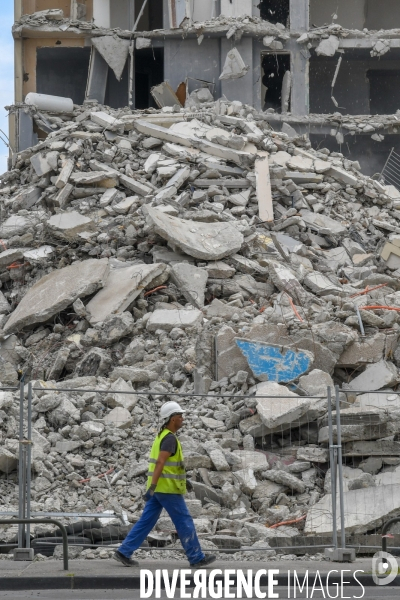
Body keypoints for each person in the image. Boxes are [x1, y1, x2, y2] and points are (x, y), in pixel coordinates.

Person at [114, 401, 216, 568]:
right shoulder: (169, 439)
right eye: (180, 416)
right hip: (167, 490)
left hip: (160, 489)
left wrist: (184, 481)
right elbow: (160, 464)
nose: (183, 419)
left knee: (146, 521)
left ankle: (124, 552)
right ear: (172, 419)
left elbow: (169, 467)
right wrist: (152, 487)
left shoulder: (162, 436)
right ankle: (196, 557)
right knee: (184, 520)